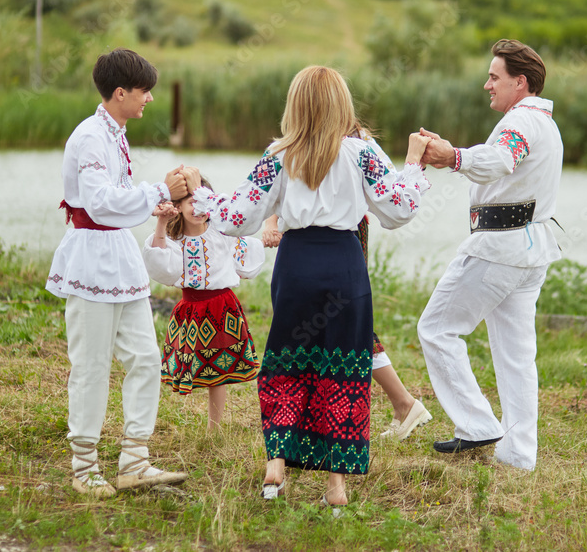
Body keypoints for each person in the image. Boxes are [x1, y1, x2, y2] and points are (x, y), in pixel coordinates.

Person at [184, 65, 432, 513]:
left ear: (294, 105)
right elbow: (399, 210)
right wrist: (413, 164)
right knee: (342, 369)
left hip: (297, 265)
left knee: (288, 360)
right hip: (343, 264)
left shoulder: (278, 154)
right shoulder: (361, 152)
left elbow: (237, 217)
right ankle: (336, 486)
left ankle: (276, 463)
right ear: (343, 105)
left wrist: (202, 197)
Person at [46, 48, 191, 497]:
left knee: (146, 359)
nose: (149, 99)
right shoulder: (89, 136)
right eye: (144, 91)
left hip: (120, 259)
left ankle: (134, 460)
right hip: (91, 259)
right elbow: (98, 203)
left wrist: (155, 204)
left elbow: (117, 202)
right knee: (90, 366)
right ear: (120, 92)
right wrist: (157, 190)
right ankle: (84, 468)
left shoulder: (116, 132)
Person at [416, 38, 563, 471]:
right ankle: (518, 455)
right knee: (517, 355)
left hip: (500, 247)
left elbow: (501, 159)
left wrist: (453, 156)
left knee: (437, 329)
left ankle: (477, 425)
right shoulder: (543, 123)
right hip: (530, 251)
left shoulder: (520, 123)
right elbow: (504, 167)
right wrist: (453, 154)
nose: (487, 85)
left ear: (520, 83)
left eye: (494, 77)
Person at [261, 123, 432, 441]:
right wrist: (272, 221)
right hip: (312, 240)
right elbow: (282, 190)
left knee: (343, 322)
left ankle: (401, 404)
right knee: (336, 323)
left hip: (344, 236)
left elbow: (392, 194)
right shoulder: (296, 141)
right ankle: (398, 405)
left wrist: (413, 162)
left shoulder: (360, 144)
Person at [142, 180, 264, 430]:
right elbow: (161, 266)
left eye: (202, 202)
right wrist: (162, 222)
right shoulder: (174, 239)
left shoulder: (222, 232)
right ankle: (147, 419)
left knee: (217, 368)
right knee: (193, 363)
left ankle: (214, 426)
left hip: (221, 307)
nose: (198, 209)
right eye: (190, 203)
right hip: (191, 309)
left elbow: (245, 260)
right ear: (177, 206)